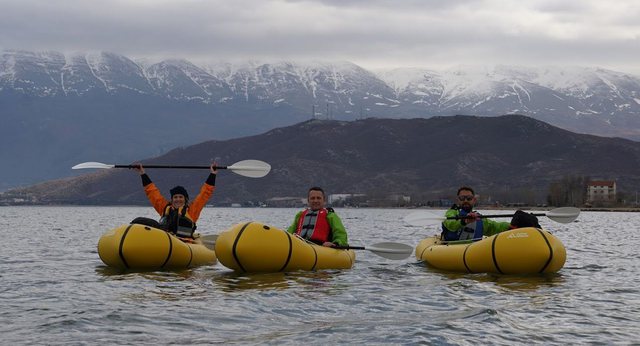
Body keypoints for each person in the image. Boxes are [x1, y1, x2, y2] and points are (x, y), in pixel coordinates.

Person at [133, 163, 217, 240]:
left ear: (185, 199)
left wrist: (212, 174)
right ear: (172, 199)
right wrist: (142, 173)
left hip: (185, 243)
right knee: (139, 220)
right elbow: (152, 192)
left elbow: (204, 194)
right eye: (175, 197)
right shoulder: (165, 208)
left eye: (181, 197)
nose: (178, 199)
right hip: (166, 240)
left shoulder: (192, 210)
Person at [441, 186, 540, 241]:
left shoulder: (479, 218)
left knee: (520, 217)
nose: (466, 200)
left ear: (474, 200)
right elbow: (451, 224)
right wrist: (464, 221)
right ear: (458, 200)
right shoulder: (451, 213)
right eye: (462, 198)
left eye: (469, 198)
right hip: (452, 247)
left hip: (473, 250)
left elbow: (495, 227)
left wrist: (514, 226)